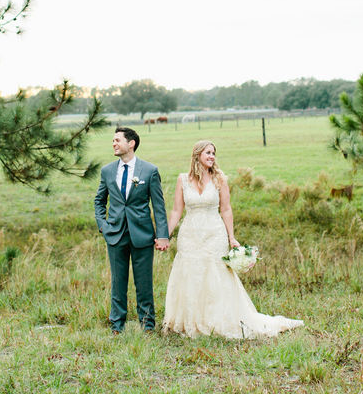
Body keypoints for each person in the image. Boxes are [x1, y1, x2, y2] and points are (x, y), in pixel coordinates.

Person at [162, 140, 303, 338]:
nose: (212, 156)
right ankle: (191, 321)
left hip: (214, 234)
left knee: (216, 274)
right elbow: (177, 210)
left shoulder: (219, 178)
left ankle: (217, 320)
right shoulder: (183, 179)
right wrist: (164, 235)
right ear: (197, 155)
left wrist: (232, 237)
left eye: (213, 153)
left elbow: (226, 209)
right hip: (190, 235)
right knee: (191, 273)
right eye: (208, 153)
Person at [94, 127, 169, 334]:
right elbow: (99, 201)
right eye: (113, 141)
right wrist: (103, 224)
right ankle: (117, 325)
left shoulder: (149, 170)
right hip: (115, 234)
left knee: (144, 283)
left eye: (117, 140)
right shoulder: (107, 171)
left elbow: (159, 206)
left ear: (131, 143)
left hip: (142, 235)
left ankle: (147, 326)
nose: (114, 144)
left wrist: (162, 235)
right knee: (118, 282)